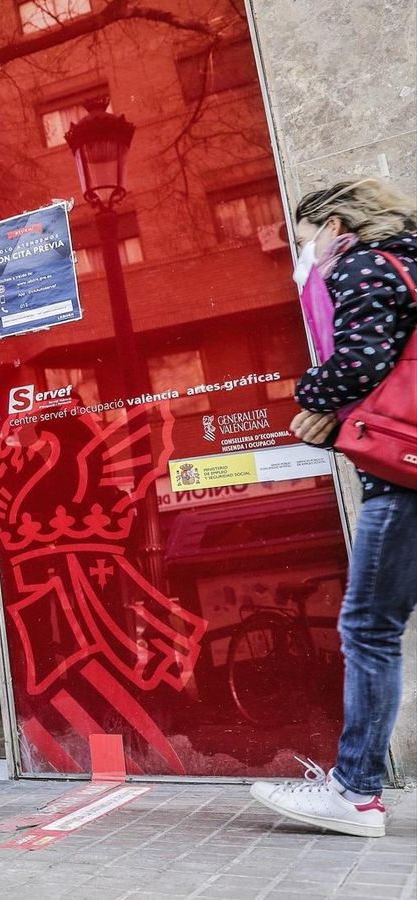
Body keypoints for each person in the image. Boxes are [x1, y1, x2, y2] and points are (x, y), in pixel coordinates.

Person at [252, 178, 417, 839]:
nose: (306, 255)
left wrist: (310, 396)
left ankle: (354, 792)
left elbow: (360, 360)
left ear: (336, 224)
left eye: (304, 240)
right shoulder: (411, 260)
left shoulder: (364, 263)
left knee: (370, 629)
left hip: (403, 476)